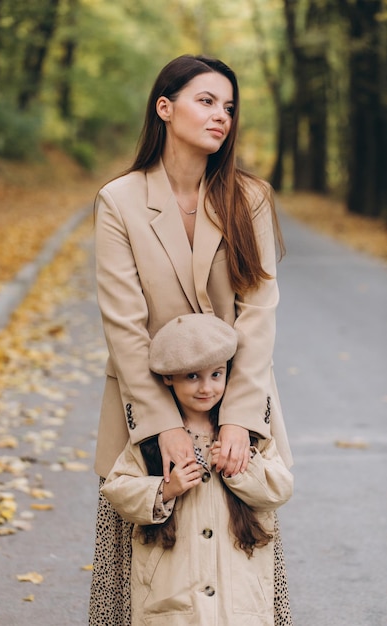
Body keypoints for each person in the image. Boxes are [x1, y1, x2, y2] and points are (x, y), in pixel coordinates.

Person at [89, 54, 293, 625]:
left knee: (242, 574)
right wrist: (164, 426)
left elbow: (259, 313)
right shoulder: (119, 201)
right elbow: (125, 327)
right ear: (165, 107)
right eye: (205, 101)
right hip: (146, 412)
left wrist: (239, 419)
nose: (221, 116)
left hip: (235, 405)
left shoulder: (248, 197)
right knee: (149, 578)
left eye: (228, 106)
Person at [101, 314, 294, 626]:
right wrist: (165, 489)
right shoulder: (153, 441)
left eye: (216, 375)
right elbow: (117, 488)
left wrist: (240, 470)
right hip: (172, 595)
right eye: (192, 377)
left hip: (239, 596)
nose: (207, 388)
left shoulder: (247, 435)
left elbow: (280, 488)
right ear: (168, 378)